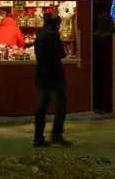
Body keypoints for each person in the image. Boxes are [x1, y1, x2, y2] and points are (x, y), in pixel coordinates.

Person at [33, 12, 71, 147]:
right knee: (62, 104)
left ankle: (38, 138)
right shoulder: (53, 36)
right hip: (54, 75)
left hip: (41, 75)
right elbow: (61, 54)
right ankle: (56, 134)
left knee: (42, 107)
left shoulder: (39, 35)